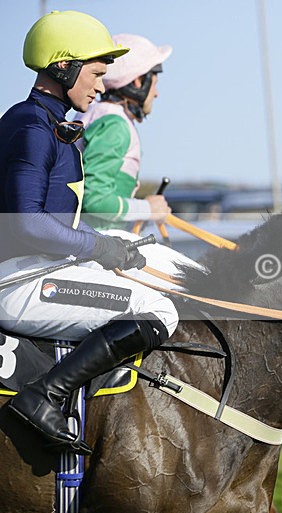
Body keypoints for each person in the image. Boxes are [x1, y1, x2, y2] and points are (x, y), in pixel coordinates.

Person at [0, 11, 178, 455]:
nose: (102, 86)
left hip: (38, 271)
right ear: (64, 67)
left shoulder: (47, 121)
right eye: (97, 74)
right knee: (160, 310)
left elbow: (60, 222)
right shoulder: (30, 124)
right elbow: (27, 221)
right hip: (19, 282)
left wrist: (111, 247)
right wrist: (99, 246)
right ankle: (47, 394)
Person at [75, 33, 200, 285]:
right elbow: (94, 199)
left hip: (96, 241)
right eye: (155, 83)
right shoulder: (114, 125)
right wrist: (148, 209)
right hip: (99, 247)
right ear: (138, 81)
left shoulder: (97, 115)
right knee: (193, 278)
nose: (156, 94)